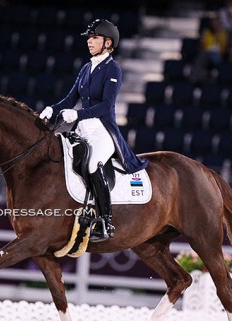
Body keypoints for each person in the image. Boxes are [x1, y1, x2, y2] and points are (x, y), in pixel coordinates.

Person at [39, 19, 148, 242]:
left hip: (103, 130)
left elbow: (106, 105)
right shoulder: (87, 68)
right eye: (89, 38)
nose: (89, 41)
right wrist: (52, 108)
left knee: (91, 164)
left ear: (108, 43)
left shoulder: (112, 68)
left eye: (94, 38)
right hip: (84, 128)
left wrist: (77, 114)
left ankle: (105, 221)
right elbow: (71, 98)